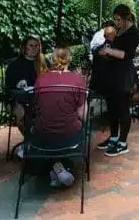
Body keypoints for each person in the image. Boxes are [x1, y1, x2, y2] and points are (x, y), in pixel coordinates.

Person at [34, 46, 86, 188]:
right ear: (69, 59)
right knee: (75, 125)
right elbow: (82, 114)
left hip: (43, 137)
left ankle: (56, 167)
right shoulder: (77, 80)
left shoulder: (41, 80)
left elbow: (37, 108)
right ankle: (61, 167)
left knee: (50, 127)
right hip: (71, 138)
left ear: (52, 59)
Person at [94, 4, 139, 157]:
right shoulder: (119, 31)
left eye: (118, 19)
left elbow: (126, 55)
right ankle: (113, 137)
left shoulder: (133, 33)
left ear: (126, 18)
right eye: (115, 19)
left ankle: (122, 142)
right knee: (111, 107)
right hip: (113, 73)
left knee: (123, 108)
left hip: (124, 75)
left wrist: (108, 51)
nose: (116, 22)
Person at [5, 35, 48, 133]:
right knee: (22, 112)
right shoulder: (14, 65)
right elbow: (8, 90)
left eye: (36, 45)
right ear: (25, 47)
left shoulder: (44, 61)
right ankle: (28, 140)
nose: (34, 48)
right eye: (31, 45)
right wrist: (17, 84)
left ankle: (45, 139)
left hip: (40, 98)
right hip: (17, 100)